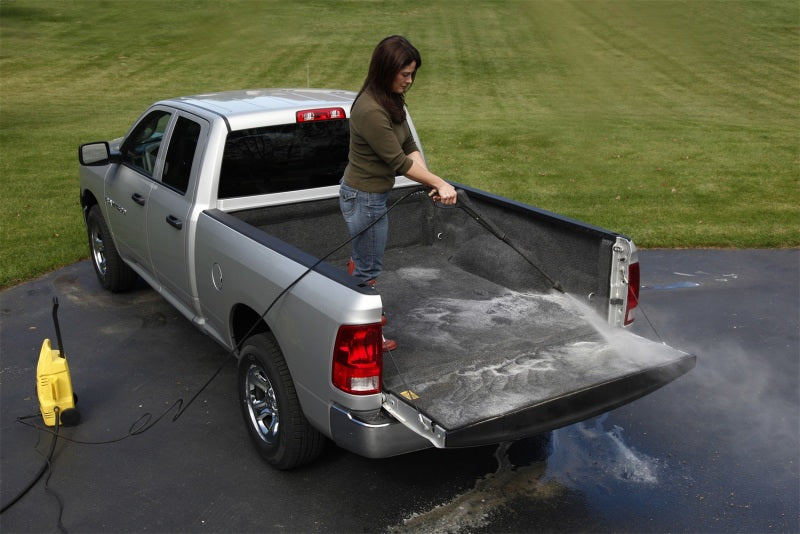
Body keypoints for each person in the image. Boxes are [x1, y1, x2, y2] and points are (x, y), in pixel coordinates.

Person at [340, 35, 457, 352]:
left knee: (364, 261)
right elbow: (398, 162)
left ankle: (357, 301)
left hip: (371, 195)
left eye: (412, 74)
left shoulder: (391, 100)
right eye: (404, 74)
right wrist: (439, 182)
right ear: (385, 69)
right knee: (369, 269)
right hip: (364, 197)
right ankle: (364, 331)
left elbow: (408, 145)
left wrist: (431, 181)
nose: (409, 80)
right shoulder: (370, 111)